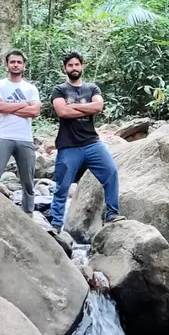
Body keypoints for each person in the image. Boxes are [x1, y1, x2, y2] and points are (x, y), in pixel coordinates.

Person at [48, 50, 121, 232]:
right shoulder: (59, 90)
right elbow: (62, 112)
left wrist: (73, 106)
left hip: (92, 143)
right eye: (70, 65)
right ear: (65, 68)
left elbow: (98, 106)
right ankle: (56, 224)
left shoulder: (92, 88)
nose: (74, 68)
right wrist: (86, 109)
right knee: (62, 186)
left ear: (82, 66)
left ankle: (112, 213)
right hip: (68, 145)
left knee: (111, 173)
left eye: (77, 64)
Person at [0, 49, 42, 214]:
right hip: (3, 137)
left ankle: (28, 214)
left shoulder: (31, 88)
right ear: (7, 64)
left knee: (28, 182)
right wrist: (24, 105)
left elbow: (35, 112)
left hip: (25, 139)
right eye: (12, 62)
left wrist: (8, 108)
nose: (16, 65)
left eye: (19, 62)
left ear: (24, 66)